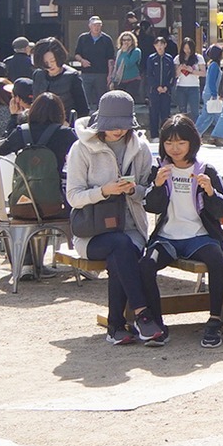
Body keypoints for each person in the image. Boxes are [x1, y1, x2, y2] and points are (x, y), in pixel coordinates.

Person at [65, 91, 168, 346]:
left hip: (131, 227)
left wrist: (133, 190)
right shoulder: (82, 148)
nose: (118, 131)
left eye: (124, 125)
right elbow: (73, 197)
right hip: (91, 233)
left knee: (120, 252)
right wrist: (103, 191)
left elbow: (146, 191)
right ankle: (142, 314)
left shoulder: (140, 147)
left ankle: (116, 327)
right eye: (112, 126)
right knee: (120, 247)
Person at [141, 115, 223, 348]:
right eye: (169, 143)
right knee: (146, 265)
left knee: (216, 260)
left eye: (181, 143)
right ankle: (157, 323)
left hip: (199, 237)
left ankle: (214, 321)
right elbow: (151, 206)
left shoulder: (205, 170)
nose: (175, 149)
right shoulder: (160, 169)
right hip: (167, 237)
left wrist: (210, 192)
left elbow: (221, 210)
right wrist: (157, 186)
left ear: (192, 143)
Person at [31, 38, 89, 119]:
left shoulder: (72, 76)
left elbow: (83, 109)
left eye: (53, 61)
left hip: (65, 124)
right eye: (46, 63)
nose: (50, 65)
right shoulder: (38, 75)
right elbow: (35, 101)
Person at [142, 32, 178, 135]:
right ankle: (154, 134)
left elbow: (172, 75)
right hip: (154, 91)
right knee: (153, 113)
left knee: (165, 113)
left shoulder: (169, 58)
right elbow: (149, 74)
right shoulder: (151, 58)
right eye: (157, 45)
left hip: (166, 92)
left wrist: (167, 86)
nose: (159, 47)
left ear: (165, 45)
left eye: (161, 44)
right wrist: (156, 86)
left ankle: (165, 134)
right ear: (154, 46)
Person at [75, 16, 116, 104]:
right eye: (94, 25)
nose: (96, 27)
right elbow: (77, 54)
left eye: (98, 25)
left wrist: (110, 75)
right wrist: (82, 61)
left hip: (101, 73)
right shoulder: (83, 38)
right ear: (90, 26)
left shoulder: (107, 39)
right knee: (85, 97)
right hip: (86, 73)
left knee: (101, 98)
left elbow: (110, 59)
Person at [173, 39, 203, 120]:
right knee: (182, 112)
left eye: (189, 48)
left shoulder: (198, 58)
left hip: (194, 87)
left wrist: (192, 71)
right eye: (185, 48)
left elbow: (204, 73)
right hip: (181, 87)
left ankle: (195, 130)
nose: (187, 51)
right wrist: (180, 68)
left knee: (194, 112)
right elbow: (175, 75)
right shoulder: (178, 58)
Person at [113, 30, 143, 106]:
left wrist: (126, 52)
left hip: (132, 80)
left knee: (128, 102)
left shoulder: (136, 51)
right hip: (121, 81)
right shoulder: (119, 52)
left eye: (128, 40)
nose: (126, 42)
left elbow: (128, 64)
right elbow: (116, 66)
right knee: (120, 103)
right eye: (124, 40)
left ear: (132, 41)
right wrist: (113, 80)